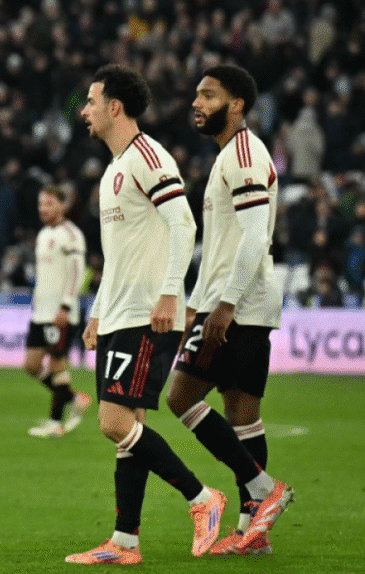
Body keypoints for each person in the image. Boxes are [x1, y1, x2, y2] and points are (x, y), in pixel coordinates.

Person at [65, 65, 223, 565]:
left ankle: (202, 499)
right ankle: (125, 542)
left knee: (112, 422)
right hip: (119, 312)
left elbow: (184, 222)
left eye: (91, 101)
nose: (83, 111)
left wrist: (171, 293)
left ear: (115, 107)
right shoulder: (113, 170)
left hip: (148, 314)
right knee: (126, 428)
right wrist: (96, 310)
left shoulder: (148, 156)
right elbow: (118, 255)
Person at [166, 64, 294, 556]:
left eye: (208, 95)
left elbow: (255, 237)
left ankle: (263, 491)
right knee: (243, 416)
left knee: (181, 398)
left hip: (237, 306)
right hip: (239, 303)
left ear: (236, 104)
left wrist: (221, 307)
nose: (196, 103)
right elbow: (222, 249)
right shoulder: (230, 157)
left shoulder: (243, 154)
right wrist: (197, 309)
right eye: (197, 94)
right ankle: (251, 533)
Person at [24, 186, 90, 438]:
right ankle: (74, 398)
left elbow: (77, 273)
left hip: (60, 313)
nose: (43, 209)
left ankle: (55, 424)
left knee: (57, 364)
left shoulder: (71, 235)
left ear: (63, 205)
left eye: (49, 204)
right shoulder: (43, 234)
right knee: (31, 365)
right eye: (41, 204)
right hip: (41, 312)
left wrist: (66, 305)